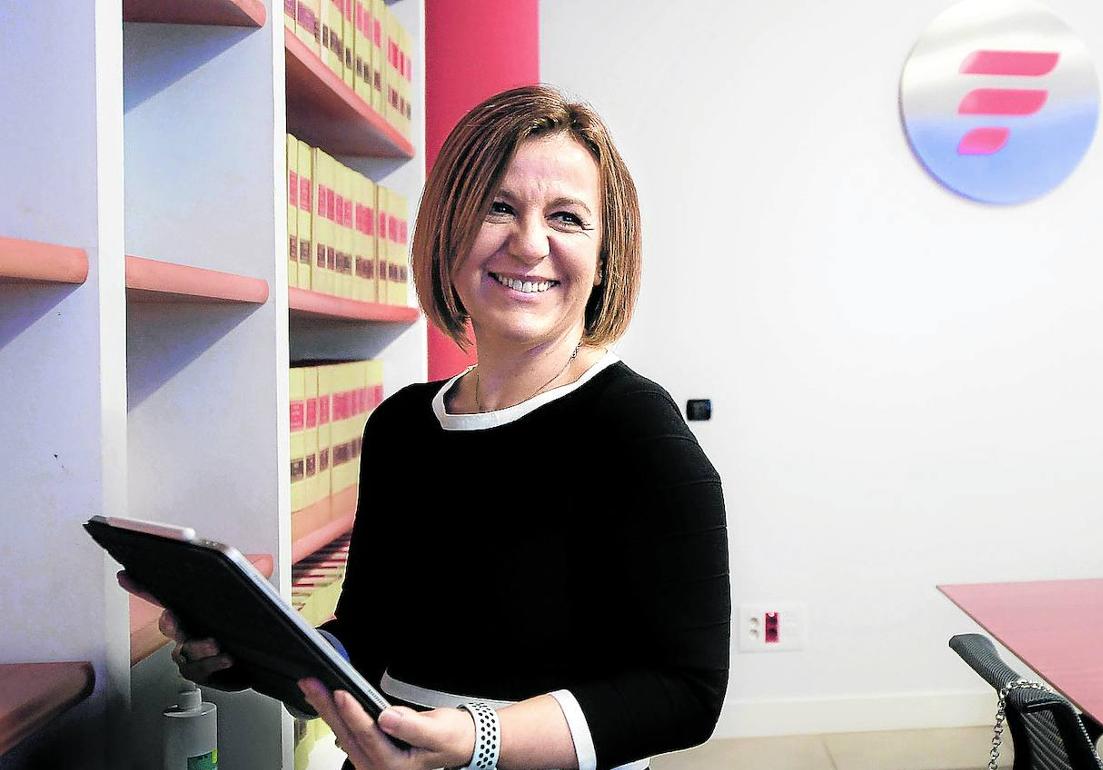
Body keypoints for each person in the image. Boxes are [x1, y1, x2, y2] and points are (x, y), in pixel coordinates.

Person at [123, 85, 730, 770]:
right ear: (449, 230)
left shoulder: (639, 436)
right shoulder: (403, 427)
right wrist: (252, 654)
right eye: (498, 208)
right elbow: (370, 640)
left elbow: (686, 691)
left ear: (605, 258)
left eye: (567, 217)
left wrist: (480, 742)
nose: (529, 244)